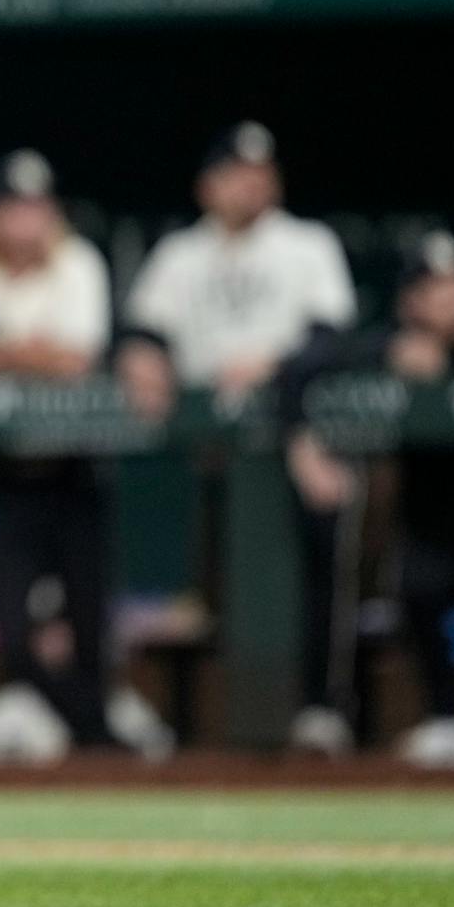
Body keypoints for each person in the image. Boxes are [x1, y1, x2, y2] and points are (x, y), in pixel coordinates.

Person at [115, 122, 357, 753]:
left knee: (311, 572)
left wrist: (271, 368)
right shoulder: (181, 255)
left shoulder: (307, 245)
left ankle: (318, 708)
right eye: (237, 173)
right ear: (207, 187)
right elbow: (143, 330)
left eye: (262, 172)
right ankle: (204, 731)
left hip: (298, 439)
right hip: (212, 449)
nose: (252, 184)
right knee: (209, 589)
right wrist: (142, 358)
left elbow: (330, 340)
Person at [0, 151, 138, 763]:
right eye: (11, 208)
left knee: (90, 628)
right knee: (12, 635)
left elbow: (75, 362)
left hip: (77, 471)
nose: (24, 221)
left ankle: (100, 743)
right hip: (5, 474)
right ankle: (102, 735)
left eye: (37, 207)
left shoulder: (78, 262)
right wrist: (21, 352)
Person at [276, 232, 454, 769]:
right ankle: (449, 717)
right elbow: (302, 369)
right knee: (415, 587)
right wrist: (302, 439)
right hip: (435, 524)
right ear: (410, 303)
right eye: (433, 288)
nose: (450, 298)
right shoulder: (387, 347)